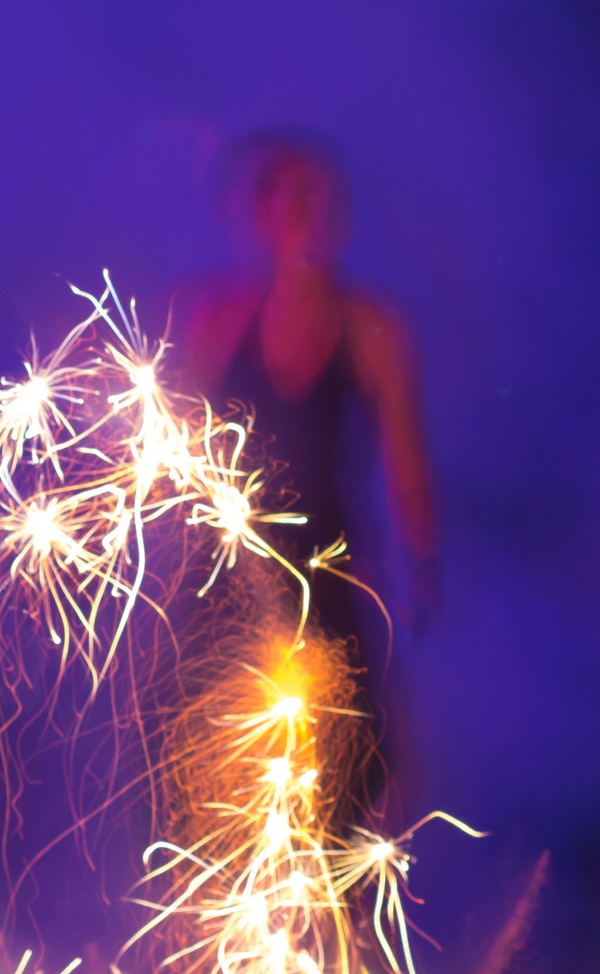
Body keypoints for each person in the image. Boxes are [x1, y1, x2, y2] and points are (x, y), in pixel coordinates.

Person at [174, 130, 440, 810]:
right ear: (258, 215)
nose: (314, 217)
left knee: (342, 769)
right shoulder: (213, 321)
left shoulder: (373, 328)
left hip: (330, 571)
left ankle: (332, 879)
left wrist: (418, 565)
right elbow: (175, 451)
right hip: (227, 573)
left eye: (325, 202)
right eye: (295, 200)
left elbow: (406, 463)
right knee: (216, 767)